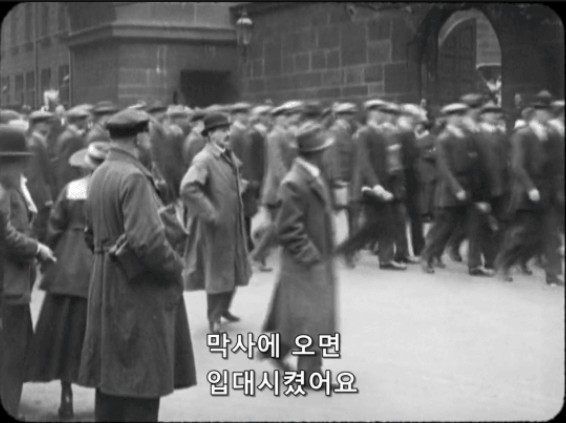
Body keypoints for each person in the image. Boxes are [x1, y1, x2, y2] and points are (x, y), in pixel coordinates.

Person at [79, 109, 196, 422]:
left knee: (110, 383)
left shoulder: (100, 174)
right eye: (147, 136)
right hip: (136, 290)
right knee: (140, 383)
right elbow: (148, 242)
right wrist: (175, 266)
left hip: (105, 283)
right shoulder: (133, 177)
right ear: (139, 138)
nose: (150, 142)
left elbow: (89, 234)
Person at [27, 142, 110, 419]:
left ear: (86, 166)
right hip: (99, 259)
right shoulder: (112, 188)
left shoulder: (73, 188)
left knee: (64, 336)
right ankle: (103, 395)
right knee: (99, 332)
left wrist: (49, 254)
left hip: (68, 262)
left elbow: (55, 224)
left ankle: (66, 395)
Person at [262, 123, 338, 384]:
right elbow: (288, 228)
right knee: (312, 318)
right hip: (305, 263)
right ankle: (310, 372)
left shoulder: (310, 175)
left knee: (296, 314)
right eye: (325, 149)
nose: (327, 153)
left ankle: (277, 352)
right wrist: (311, 256)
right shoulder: (294, 182)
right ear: (316, 153)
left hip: (313, 260)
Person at [0, 125, 57, 419]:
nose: (22, 168)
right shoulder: (3, 193)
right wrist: (38, 249)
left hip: (13, 285)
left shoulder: (11, 189)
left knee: (15, 348)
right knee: (12, 353)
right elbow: (7, 237)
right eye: (17, 162)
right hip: (9, 286)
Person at [180, 113, 251, 334]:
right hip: (215, 227)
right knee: (217, 271)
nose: (227, 133)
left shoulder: (226, 155)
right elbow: (188, 188)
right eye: (222, 130)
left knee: (233, 267)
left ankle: (224, 309)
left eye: (228, 129)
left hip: (232, 223)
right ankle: (214, 318)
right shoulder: (204, 159)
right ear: (210, 135)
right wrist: (210, 212)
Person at [496, 91, 564, 285]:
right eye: (542, 111)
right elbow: (517, 166)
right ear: (535, 113)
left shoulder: (553, 135)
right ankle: (504, 264)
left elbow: (558, 164)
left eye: (549, 111)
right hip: (529, 193)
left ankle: (552, 275)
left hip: (549, 192)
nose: (546, 115)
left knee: (551, 234)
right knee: (524, 233)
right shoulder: (523, 135)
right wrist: (530, 187)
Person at [251, 103, 298, 271]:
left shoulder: (289, 135)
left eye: (289, 116)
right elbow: (277, 163)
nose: (288, 119)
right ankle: (257, 255)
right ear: (277, 118)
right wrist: (288, 181)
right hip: (276, 188)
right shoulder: (273, 136)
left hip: (285, 185)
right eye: (284, 116)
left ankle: (260, 238)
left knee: (280, 223)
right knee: (277, 225)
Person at [25, 110, 57, 243]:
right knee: (40, 230)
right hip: (40, 199)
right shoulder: (34, 144)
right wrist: (45, 199)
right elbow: (34, 175)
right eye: (45, 123)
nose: (48, 126)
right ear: (35, 125)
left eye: (49, 123)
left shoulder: (39, 141)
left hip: (42, 196)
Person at [54, 106, 90, 194]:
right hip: (71, 180)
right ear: (78, 121)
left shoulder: (65, 134)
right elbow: (72, 162)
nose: (87, 123)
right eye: (85, 120)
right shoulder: (73, 138)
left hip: (64, 178)